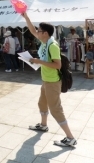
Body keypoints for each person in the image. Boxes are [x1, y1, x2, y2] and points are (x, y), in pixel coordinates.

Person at [22, 12, 77, 147]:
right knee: (42, 103)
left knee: (55, 109)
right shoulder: (44, 41)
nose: (37, 33)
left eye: (39, 31)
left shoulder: (52, 46)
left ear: (45, 33)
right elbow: (32, 30)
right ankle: (43, 125)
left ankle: (70, 137)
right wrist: (26, 17)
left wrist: (38, 61)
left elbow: (57, 65)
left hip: (53, 81)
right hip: (46, 80)